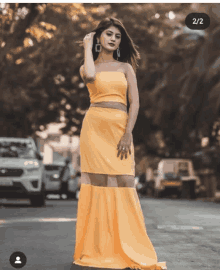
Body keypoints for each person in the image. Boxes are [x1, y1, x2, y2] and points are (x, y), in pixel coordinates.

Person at [72, 17, 167, 270]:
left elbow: (134, 103)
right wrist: (86, 45)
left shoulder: (126, 67)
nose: (113, 39)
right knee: (97, 184)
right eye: (108, 34)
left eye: (117, 36)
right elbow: (91, 75)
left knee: (124, 182)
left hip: (119, 128)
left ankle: (128, 246)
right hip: (94, 128)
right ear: (98, 37)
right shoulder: (87, 66)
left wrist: (128, 134)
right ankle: (95, 249)